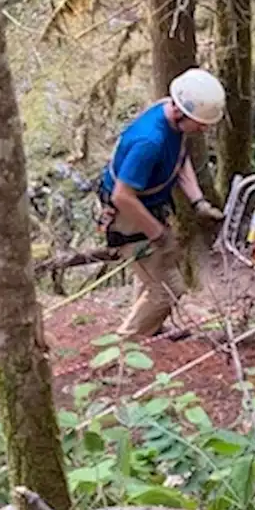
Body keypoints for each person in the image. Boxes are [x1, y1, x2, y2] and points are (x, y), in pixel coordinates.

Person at [98, 68, 227, 339]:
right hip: (126, 213)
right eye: (200, 123)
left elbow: (180, 159)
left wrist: (198, 202)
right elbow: (122, 195)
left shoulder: (169, 117)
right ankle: (126, 343)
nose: (203, 129)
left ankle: (149, 324)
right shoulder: (149, 142)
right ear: (181, 113)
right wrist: (156, 232)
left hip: (146, 203)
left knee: (155, 268)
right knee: (169, 287)